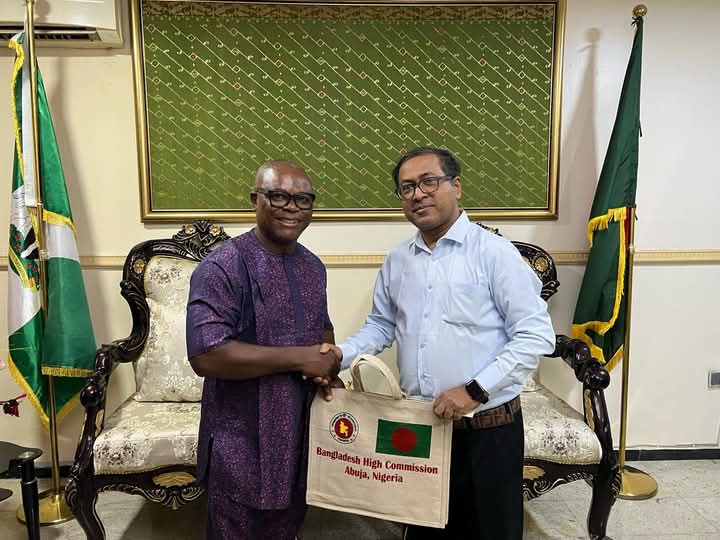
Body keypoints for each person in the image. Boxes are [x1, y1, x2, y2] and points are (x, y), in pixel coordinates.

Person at [324, 147, 556, 540]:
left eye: (429, 182)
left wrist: (474, 391)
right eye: (407, 187)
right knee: (424, 529)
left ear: (456, 186)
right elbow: (381, 326)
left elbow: (536, 334)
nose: (418, 194)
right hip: (420, 428)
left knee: (491, 531)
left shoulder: (494, 253)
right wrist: (339, 356)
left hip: (487, 430)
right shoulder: (399, 260)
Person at [186, 160, 341, 540]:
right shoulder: (222, 266)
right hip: (240, 435)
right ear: (255, 199)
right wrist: (299, 358)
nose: (292, 207)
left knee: (287, 525)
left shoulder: (313, 267)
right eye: (279, 196)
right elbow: (206, 355)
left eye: (302, 199)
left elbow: (322, 328)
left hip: (299, 431)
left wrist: (329, 362)